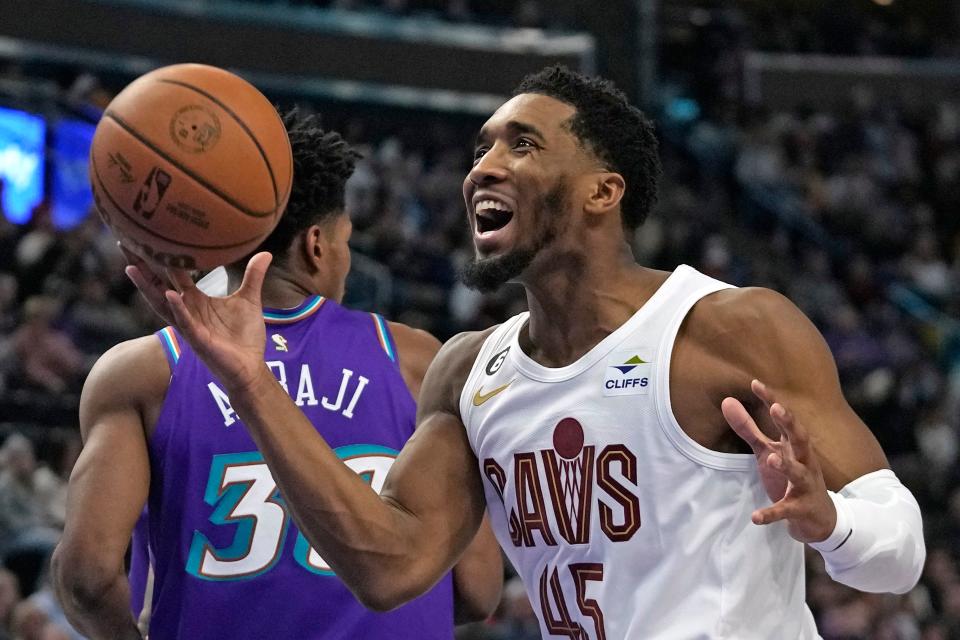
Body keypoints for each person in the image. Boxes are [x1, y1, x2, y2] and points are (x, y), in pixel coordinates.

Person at [124, 67, 925, 639]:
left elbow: (899, 556)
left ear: (602, 192)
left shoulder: (728, 329)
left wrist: (829, 522)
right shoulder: (470, 372)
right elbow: (389, 568)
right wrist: (253, 383)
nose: (482, 168)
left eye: (522, 144)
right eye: (481, 148)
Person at [50, 110, 502, 640]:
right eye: (346, 243)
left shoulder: (145, 371)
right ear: (316, 245)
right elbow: (476, 588)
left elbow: (86, 574)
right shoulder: (419, 362)